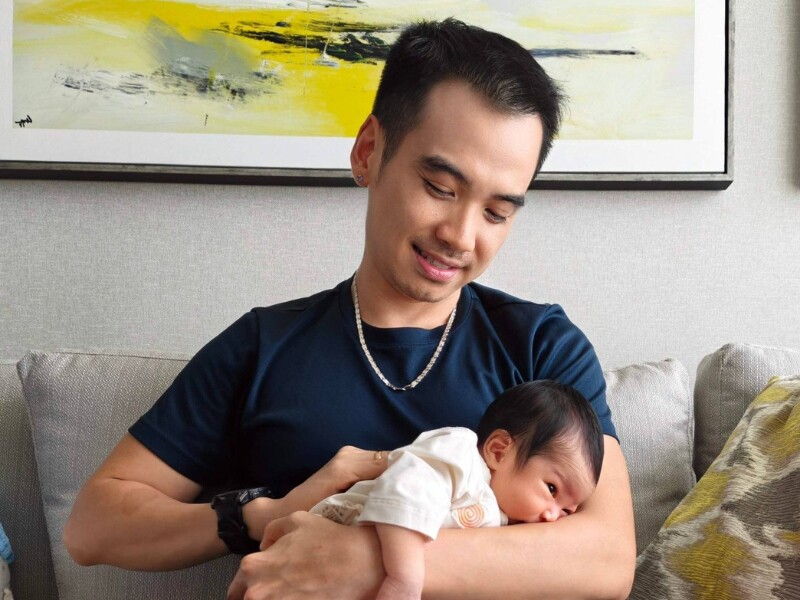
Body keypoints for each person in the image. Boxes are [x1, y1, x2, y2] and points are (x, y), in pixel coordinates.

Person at [64, 17, 636, 599]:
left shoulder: (541, 346)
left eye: (496, 213)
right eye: (440, 188)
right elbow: (93, 526)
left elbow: (608, 559)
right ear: (369, 152)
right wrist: (263, 513)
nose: (461, 236)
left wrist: (360, 560)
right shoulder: (263, 346)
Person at [310, 380, 605, 600]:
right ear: (499, 451)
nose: (552, 516)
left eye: (567, 511)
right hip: (332, 535)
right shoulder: (460, 455)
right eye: (552, 489)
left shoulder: (507, 524)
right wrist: (404, 578)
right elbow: (405, 493)